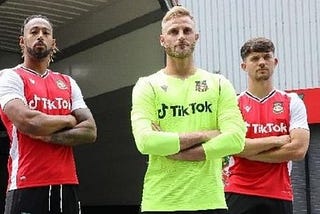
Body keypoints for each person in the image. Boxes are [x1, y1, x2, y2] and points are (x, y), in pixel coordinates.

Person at [130, 6, 246, 214]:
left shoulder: (219, 83)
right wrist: (207, 135)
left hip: (209, 201)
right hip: (161, 202)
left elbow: (236, 139)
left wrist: (179, 151)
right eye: (173, 32)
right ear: (162, 40)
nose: (181, 37)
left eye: (187, 31)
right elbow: (146, 141)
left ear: (196, 37)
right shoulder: (147, 85)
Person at [0, 15, 97, 214]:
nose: (40, 36)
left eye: (46, 33)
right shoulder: (11, 77)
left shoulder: (68, 82)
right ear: (22, 41)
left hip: (67, 184)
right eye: (34, 32)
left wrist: (48, 135)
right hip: (27, 184)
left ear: (53, 42)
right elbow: (28, 121)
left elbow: (90, 130)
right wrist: (69, 119)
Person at [224, 37, 310, 214]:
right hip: (239, 190)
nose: (261, 62)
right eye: (255, 58)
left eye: (266, 57)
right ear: (244, 66)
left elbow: (298, 150)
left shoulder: (292, 101)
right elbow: (233, 146)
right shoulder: (234, 104)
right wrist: (278, 140)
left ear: (275, 62)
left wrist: (249, 152)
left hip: (279, 193)